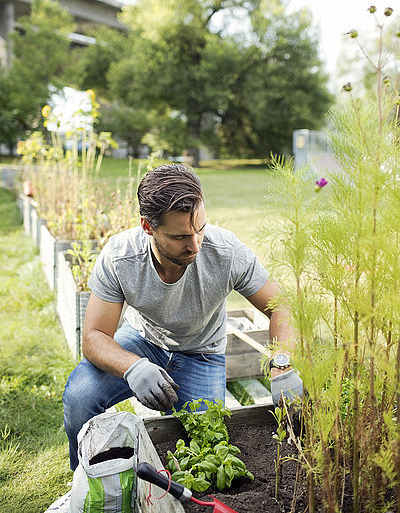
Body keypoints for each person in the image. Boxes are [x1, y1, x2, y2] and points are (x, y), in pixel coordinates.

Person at [63, 164, 302, 471]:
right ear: (148, 226)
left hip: (201, 353)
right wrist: (133, 368)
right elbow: (94, 336)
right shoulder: (121, 257)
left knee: (208, 452)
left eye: (200, 228)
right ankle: (85, 481)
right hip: (142, 341)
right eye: (180, 236)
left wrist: (282, 362)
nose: (195, 244)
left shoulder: (226, 252)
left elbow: (282, 305)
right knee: (80, 397)